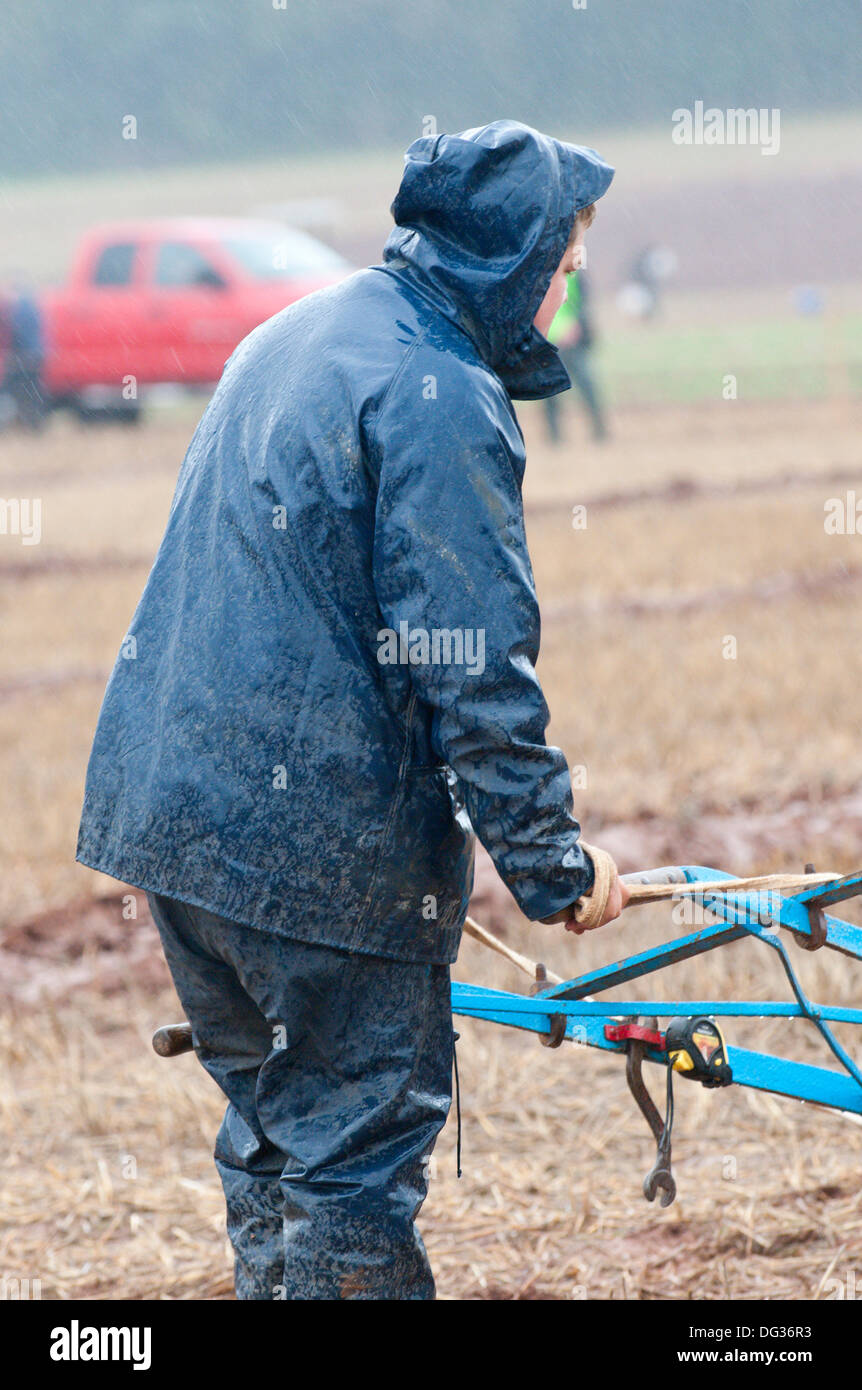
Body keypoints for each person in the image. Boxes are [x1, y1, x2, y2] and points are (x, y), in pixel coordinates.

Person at [77, 120, 627, 1301]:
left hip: (178, 829)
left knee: (276, 1139)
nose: (568, 281)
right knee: (352, 1173)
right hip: (314, 858)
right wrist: (556, 866)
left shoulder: (298, 333)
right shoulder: (441, 396)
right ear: (510, 257)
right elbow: (472, 662)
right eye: (563, 259)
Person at [543, 269, 607, 442]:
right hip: (548, 339)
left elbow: (582, 300)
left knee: (586, 385)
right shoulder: (539, 267)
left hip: (571, 338)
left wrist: (577, 325)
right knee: (549, 392)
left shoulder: (573, 270)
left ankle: (600, 431)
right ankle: (554, 437)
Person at [1, 279, 46, 429]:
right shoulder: (27, 304)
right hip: (33, 355)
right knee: (30, 394)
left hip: (25, 357)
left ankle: (27, 424)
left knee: (13, 393)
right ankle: (33, 424)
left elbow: (14, 335)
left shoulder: (16, 307)